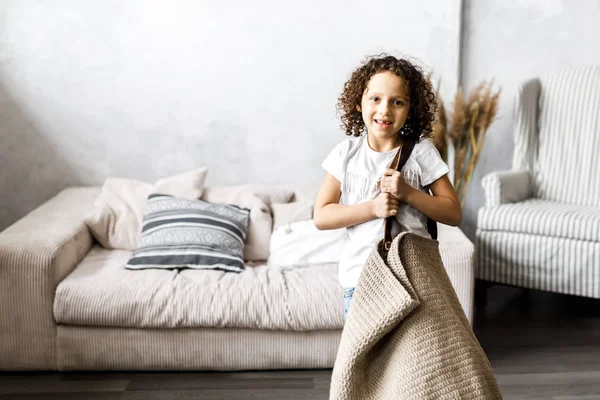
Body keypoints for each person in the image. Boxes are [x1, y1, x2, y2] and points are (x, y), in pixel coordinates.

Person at [313, 54, 462, 320]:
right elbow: (322, 216)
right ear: (359, 102)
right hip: (361, 279)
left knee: (415, 360)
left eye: (397, 102)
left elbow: (452, 212)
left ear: (410, 109)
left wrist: (409, 194)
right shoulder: (345, 154)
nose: (385, 110)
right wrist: (373, 208)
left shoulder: (421, 153)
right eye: (375, 99)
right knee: (368, 360)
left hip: (416, 279)